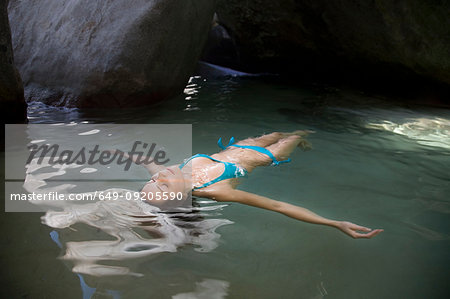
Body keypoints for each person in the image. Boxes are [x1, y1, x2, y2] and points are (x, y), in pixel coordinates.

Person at [127, 131, 383, 239]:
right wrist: (334, 223)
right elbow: (277, 205)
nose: (159, 178)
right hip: (265, 158)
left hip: (235, 147)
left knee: (273, 134)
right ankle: (305, 136)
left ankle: (291, 134)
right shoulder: (218, 191)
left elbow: (153, 168)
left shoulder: (170, 176)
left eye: (153, 181)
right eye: (161, 186)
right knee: (294, 136)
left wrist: (135, 158)